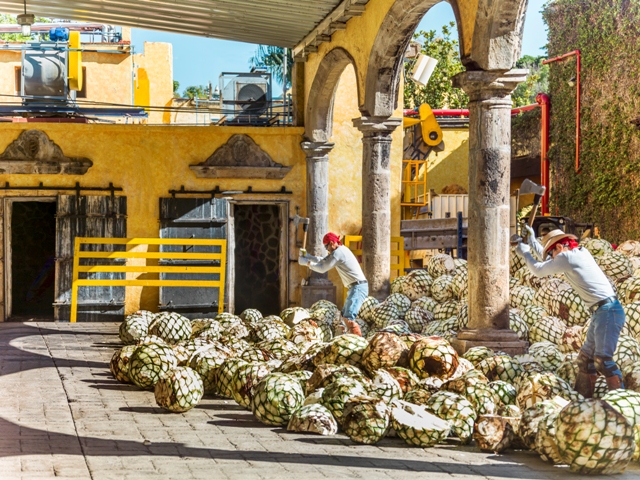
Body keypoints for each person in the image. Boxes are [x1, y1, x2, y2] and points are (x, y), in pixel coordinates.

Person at [515, 227, 625, 396]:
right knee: (585, 359)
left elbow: (539, 270)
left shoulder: (566, 257)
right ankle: (583, 399)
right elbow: (548, 261)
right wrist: (532, 242)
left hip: (608, 312)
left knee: (603, 360)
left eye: (552, 253)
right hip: (603, 311)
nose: (552, 257)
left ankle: (622, 400)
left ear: (559, 247)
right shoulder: (578, 253)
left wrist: (525, 253)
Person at [299, 232, 368, 333]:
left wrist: (307, 263)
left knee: (348, 319)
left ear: (332, 243)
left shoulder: (338, 253)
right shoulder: (340, 250)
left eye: (326, 246)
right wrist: (308, 256)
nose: (327, 249)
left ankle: (358, 340)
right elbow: (323, 260)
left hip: (358, 287)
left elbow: (322, 268)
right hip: (355, 287)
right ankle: (346, 337)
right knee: (344, 316)